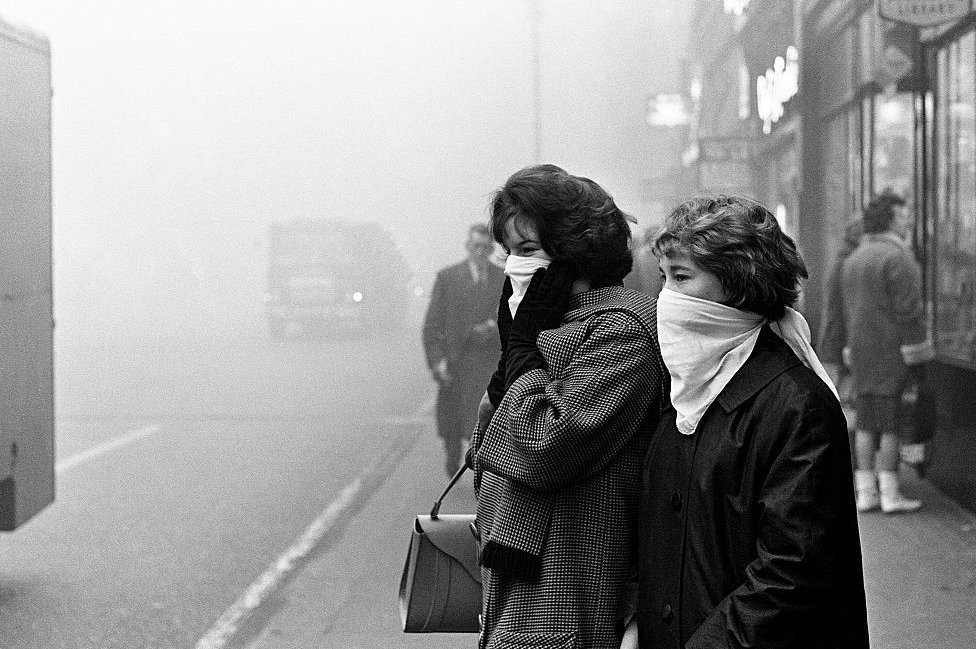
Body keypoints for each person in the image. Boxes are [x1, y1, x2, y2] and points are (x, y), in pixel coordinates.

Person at [638, 195, 869, 649]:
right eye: (663, 278)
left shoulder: (795, 405)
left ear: (739, 285)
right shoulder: (681, 388)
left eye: (682, 277)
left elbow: (791, 573)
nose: (666, 298)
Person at [467, 164, 667, 649]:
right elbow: (486, 459)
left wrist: (522, 348)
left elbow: (541, 448)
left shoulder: (619, 330)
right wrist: (512, 355)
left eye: (529, 251)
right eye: (509, 252)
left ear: (577, 251)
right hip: (523, 597)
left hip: (571, 597)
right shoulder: (552, 322)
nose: (515, 266)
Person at [839, 189, 932, 513]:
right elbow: (909, 313)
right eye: (905, 216)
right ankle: (890, 493)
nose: (908, 223)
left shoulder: (853, 259)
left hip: (862, 353)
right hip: (893, 354)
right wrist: (920, 354)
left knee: (866, 422)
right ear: (892, 219)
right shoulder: (898, 258)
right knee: (891, 424)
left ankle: (866, 492)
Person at [422, 223, 504, 477]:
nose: (479, 252)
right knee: (452, 422)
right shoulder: (448, 278)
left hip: (488, 363)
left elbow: (512, 315)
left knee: (485, 420)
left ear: (491, 249)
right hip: (456, 363)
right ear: (467, 247)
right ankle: (452, 455)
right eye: (474, 246)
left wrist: (493, 326)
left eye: (484, 247)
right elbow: (432, 326)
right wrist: (438, 363)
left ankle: (483, 469)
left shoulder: (503, 278)